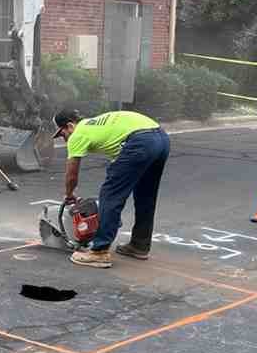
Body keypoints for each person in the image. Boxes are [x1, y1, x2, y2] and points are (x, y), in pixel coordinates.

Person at [52, 106, 170, 268]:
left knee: (110, 195)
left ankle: (99, 252)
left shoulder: (77, 134)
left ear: (70, 126)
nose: (64, 139)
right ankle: (139, 245)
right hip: (161, 139)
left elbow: (72, 175)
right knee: (145, 196)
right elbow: (121, 158)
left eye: (62, 134)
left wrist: (69, 194)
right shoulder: (95, 125)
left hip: (139, 141)